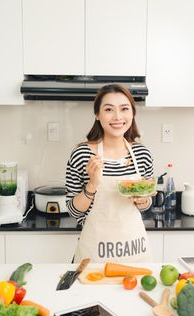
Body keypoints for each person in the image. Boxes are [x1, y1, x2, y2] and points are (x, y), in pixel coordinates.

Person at [66, 84, 154, 263]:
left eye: (124, 109)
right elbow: (73, 211)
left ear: (132, 114)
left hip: (135, 252)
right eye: (108, 109)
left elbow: (146, 205)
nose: (117, 117)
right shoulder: (82, 154)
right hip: (94, 255)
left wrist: (143, 199)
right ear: (97, 115)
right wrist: (92, 184)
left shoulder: (142, 154)